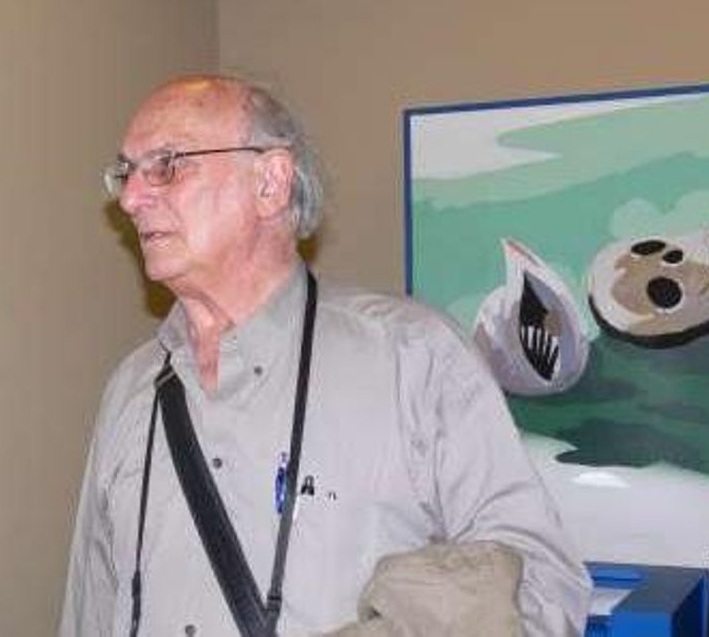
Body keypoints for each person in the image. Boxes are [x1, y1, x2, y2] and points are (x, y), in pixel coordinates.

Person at [61, 76, 590, 636]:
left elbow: (542, 584)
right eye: (126, 172)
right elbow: (90, 608)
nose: (130, 198)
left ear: (270, 182)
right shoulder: (132, 388)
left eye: (166, 164)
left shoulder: (414, 359)